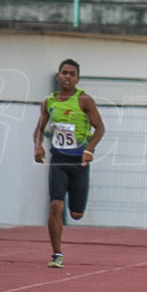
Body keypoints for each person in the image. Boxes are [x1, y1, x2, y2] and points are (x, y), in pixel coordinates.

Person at [32, 58, 105, 269]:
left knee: (76, 214)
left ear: (78, 79)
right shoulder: (49, 101)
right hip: (58, 160)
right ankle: (57, 254)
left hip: (79, 162)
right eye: (64, 72)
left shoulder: (85, 100)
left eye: (72, 74)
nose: (67, 77)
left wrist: (89, 150)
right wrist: (38, 146)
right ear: (58, 76)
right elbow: (38, 129)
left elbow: (100, 128)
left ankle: (76, 210)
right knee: (56, 205)